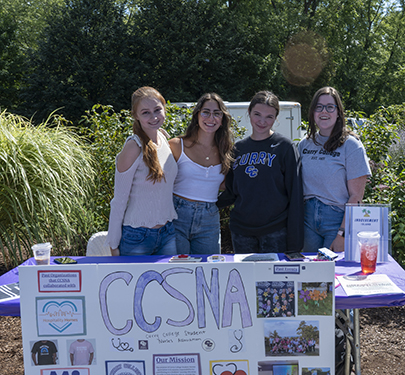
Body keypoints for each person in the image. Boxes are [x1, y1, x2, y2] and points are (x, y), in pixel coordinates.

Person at [217, 90, 304, 253]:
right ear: (249, 113)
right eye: (257, 114)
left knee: (274, 279)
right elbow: (230, 191)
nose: (262, 121)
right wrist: (206, 204)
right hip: (241, 232)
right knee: (245, 278)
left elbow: (296, 195)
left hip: (275, 231)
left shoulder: (285, 148)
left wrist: (295, 243)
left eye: (269, 117)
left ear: (276, 118)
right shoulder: (238, 149)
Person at [106, 87, 178, 256]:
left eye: (157, 110)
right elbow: (119, 200)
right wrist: (113, 244)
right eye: (145, 112)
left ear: (164, 109)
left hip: (167, 234)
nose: (153, 117)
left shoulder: (163, 137)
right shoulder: (133, 147)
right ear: (135, 115)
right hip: (137, 237)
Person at [298, 87, 371, 252]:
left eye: (330, 107)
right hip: (307, 221)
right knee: (310, 275)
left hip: (337, 221)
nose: (324, 111)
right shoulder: (304, 144)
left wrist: (343, 234)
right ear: (312, 112)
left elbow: (356, 196)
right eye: (319, 106)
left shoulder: (351, 145)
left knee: (335, 274)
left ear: (338, 112)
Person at [169, 93, 233, 254]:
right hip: (177, 215)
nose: (211, 118)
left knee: (208, 273)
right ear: (197, 115)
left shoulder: (226, 151)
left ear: (222, 119)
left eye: (217, 113)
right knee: (178, 272)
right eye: (206, 112)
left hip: (209, 218)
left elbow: (226, 185)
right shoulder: (177, 146)